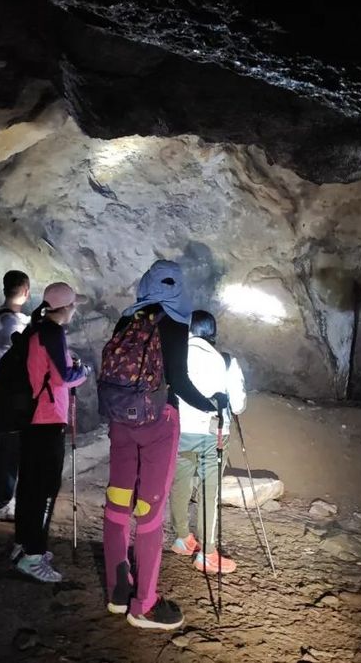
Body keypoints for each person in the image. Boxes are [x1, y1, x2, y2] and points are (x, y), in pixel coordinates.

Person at [102, 260, 225, 631]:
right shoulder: (173, 323)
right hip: (158, 422)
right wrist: (211, 404)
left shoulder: (127, 320)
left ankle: (118, 593)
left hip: (121, 422)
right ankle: (144, 604)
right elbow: (180, 382)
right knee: (149, 512)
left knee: (117, 504)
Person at [14, 282, 88, 582]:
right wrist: (83, 372)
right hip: (46, 420)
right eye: (74, 305)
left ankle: (25, 545)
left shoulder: (37, 329)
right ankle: (32, 556)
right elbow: (63, 377)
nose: (75, 310)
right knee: (44, 489)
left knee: (30, 486)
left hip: (33, 419)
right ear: (66, 307)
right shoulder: (53, 332)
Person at [169, 310, 247, 574]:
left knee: (180, 483)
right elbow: (238, 405)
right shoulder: (225, 361)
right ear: (212, 332)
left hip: (178, 431)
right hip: (212, 435)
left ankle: (182, 538)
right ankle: (207, 553)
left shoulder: (175, 356)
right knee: (208, 491)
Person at [0, 270, 31, 520]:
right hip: (10, 395)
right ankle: (2, 502)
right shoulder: (14, 323)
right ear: (26, 291)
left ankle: (3, 499)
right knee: (9, 448)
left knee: (4, 446)